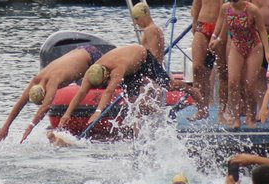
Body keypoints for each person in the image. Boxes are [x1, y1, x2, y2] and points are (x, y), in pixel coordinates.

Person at [58, 44, 197, 128]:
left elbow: (109, 91)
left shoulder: (117, 69)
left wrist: (97, 112)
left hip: (143, 59)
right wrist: (67, 114)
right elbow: (81, 93)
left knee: (169, 85)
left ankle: (191, 89)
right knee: (132, 106)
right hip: (131, 70)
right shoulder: (91, 72)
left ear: (106, 75)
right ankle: (138, 138)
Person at [0, 45, 107, 143]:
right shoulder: (36, 80)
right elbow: (20, 104)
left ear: (44, 93)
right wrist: (5, 127)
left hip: (91, 56)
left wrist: (30, 127)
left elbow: (46, 107)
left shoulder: (52, 81)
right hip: (79, 52)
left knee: (110, 84)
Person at [170, 0, 228, 119]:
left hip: (220, 27)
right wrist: (195, 21)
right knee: (197, 67)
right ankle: (201, 108)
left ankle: (222, 110)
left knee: (223, 70)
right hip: (203, 24)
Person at [209, 0, 269, 128]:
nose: (232, 3)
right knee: (232, 82)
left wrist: (268, 52)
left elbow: (262, 30)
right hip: (236, 46)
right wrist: (216, 38)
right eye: (230, 0)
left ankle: (251, 116)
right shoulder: (226, 8)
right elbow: (221, 23)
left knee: (249, 85)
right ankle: (236, 117)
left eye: (235, 0)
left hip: (253, 46)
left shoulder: (252, 10)